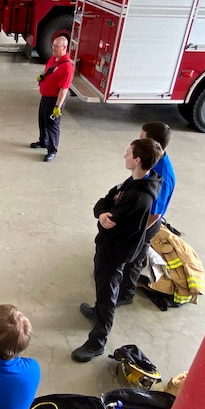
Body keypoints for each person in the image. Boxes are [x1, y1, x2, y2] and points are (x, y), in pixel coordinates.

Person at [72, 139, 163, 363]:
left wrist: (103, 214)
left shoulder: (139, 197)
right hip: (108, 245)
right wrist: (102, 212)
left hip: (114, 251)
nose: (124, 155)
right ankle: (98, 312)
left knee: (107, 294)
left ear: (137, 160)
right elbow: (104, 201)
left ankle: (97, 342)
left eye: (128, 153)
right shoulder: (136, 181)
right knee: (103, 288)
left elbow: (108, 219)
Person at [118, 122, 176, 304]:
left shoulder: (163, 174)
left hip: (146, 223)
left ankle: (124, 294)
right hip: (139, 215)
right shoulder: (151, 161)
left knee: (135, 256)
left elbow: (155, 213)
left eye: (142, 138)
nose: (138, 140)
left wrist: (137, 231)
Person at [30, 36, 74, 162]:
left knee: (52, 126)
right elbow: (46, 70)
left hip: (54, 100)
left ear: (64, 48)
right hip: (45, 97)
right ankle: (43, 141)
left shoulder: (66, 67)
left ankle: (52, 150)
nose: (53, 48)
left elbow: (63, 89)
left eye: (56, 46)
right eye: (53, 45)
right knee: (42, 121)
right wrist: (42, 76)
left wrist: (57, 107)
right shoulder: (53, 59)